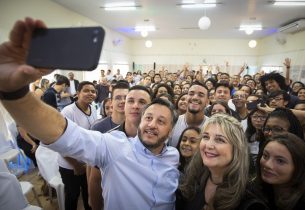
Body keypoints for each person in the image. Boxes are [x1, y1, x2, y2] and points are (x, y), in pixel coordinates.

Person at [0, 18, 179, 210]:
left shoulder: (173, 156)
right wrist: (14, 92)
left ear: (170, 132)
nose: (152, 124)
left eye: (161, 121)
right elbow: (63, 133)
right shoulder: (114, 146)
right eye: (149, 118)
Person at [176, 114, 269, 210]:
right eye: (206, 137)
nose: (208, 145)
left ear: (236, 149)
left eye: (220, 140)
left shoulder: (250, 203)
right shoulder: (192, 182)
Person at [88, 85, 152, 210]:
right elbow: (95, 180)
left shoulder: (158, 139)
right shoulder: (107, 139)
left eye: (142, 102)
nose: (135, 106)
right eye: (131, 101)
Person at [59, 81, 97, 210]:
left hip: (87, 163)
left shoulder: (94, 109)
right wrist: (75, 164)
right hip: (70, 165)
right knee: (72, 194)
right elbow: (60, 143)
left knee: (88, 193)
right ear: (78, 93)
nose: (90, 93)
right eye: (86, 90)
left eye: (93, 91)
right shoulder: (68, 112)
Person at [255, 133, 305, 210]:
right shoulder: (255, 191)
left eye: (280, 161)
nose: (267, 164)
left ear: (298, 168)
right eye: (265, 156)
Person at [169, 81, 209, 147]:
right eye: (191, 94)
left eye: (201, 95)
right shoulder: (173, 122)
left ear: (207, 102)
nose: (195, 97)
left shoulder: (211, 126)